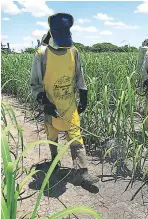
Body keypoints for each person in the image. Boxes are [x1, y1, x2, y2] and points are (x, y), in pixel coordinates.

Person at [30, 13, 99, 186]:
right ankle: (55, 161)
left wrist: (83, 94)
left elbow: (79, 76)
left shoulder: (74, 51)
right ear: (52, 33)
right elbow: (35, 84)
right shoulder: (42, 54)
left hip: (69, 104)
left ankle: (82, 172)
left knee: (76, 137)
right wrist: (45, 103)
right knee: (52, 136)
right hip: (51, 105)